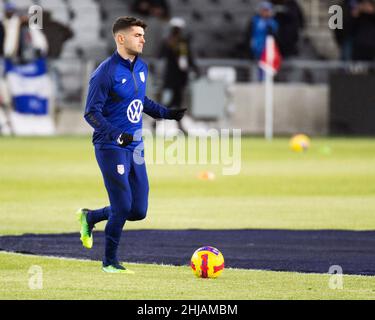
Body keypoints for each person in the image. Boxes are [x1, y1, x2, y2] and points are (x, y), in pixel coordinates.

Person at [79, 16, 186, 273]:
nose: (143, 39)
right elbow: (91, 113)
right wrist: (116, 135)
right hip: (110, 146)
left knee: (138, 210)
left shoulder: (142, 67)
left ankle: (90, 217)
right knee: (123, 205)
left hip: (135, 146)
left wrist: (165, 113)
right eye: (137, 35)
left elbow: (140, 100)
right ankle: (109, 262)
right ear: (120, 38)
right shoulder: (105, 72)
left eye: (143, 35)